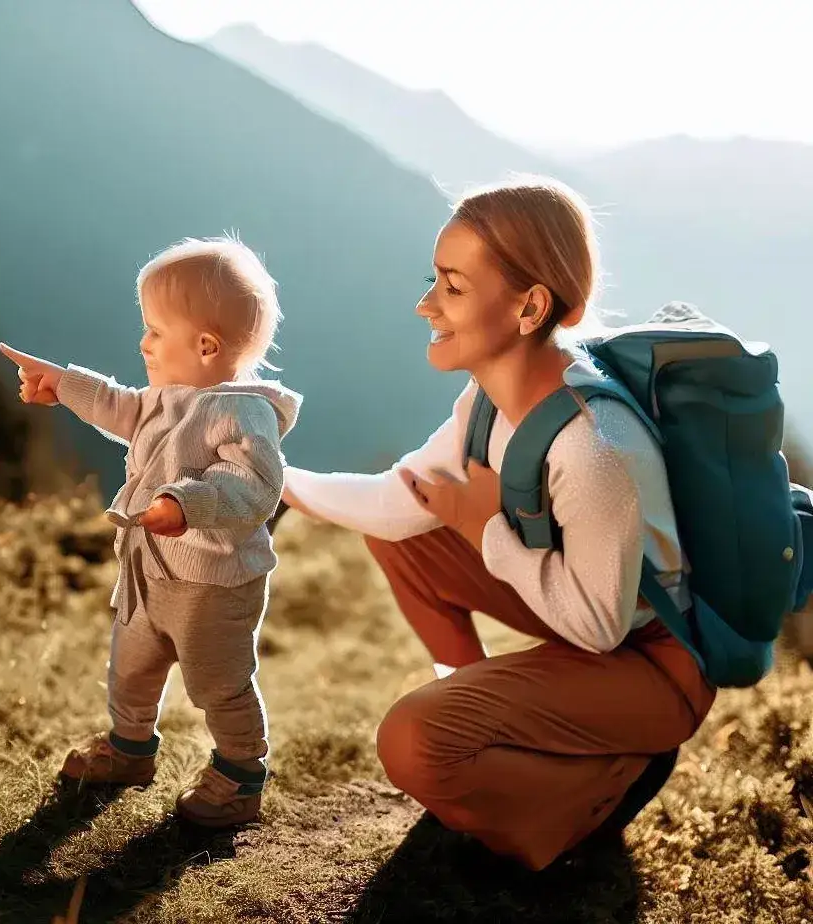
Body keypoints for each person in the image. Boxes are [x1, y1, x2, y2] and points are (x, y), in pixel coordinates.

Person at [281, 177, 716, 871]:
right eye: (435, 280)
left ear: (530, 305)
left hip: (657, 665)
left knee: (411, 743)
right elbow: (400, 501)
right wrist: (276, 479)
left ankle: (599, 789)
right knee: (408, 540)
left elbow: (598, 627)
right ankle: (486, 725)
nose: (426, 305)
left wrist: (488, 530)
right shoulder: (485, 403)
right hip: (601, 627)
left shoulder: (592, 447)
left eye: (452, 287)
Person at [0, 236, 302, 828]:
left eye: (156, 330)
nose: (144, 342)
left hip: (212, 585)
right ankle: (130, 749)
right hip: (147, 574)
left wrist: (185, 504)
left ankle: (240, 774)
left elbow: (253, 485)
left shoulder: (245, 412)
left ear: (206, 345)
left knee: (219, 683)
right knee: (131, 666)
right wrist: (62, 384)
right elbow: (120, 406)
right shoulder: (167, 398)